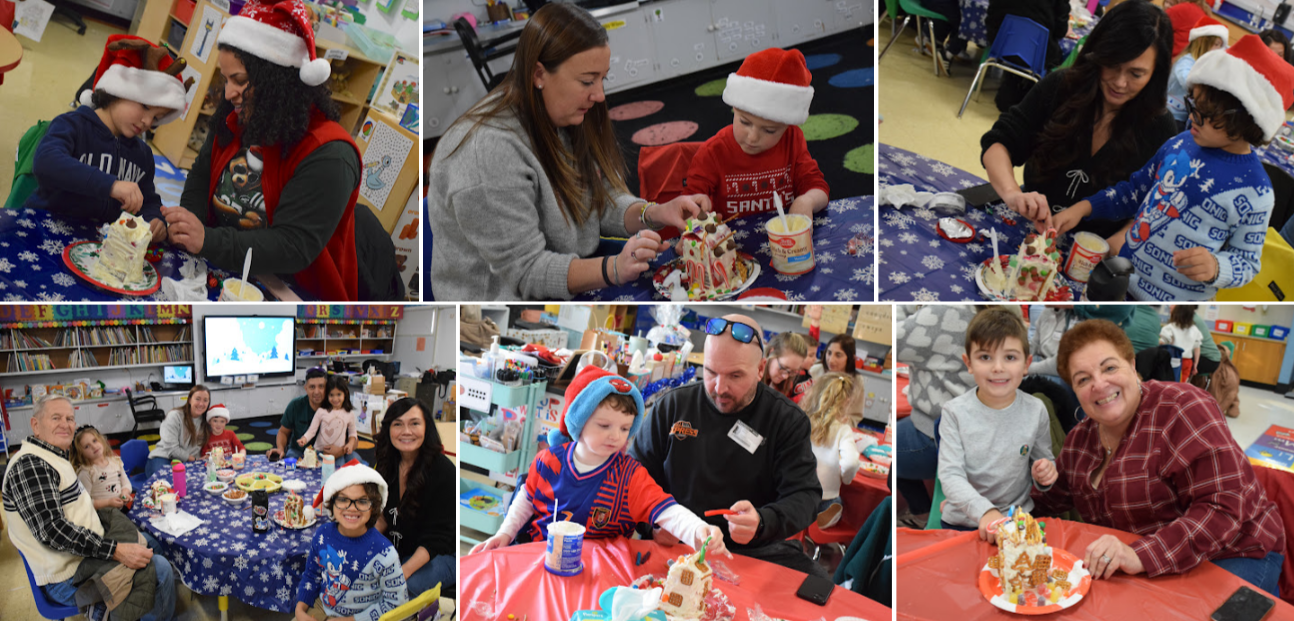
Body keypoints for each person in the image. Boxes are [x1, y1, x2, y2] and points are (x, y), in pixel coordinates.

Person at [426, 3, 709, 300]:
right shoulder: (486, 153)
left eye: (603, 79)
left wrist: (656, 212)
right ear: (539, 74)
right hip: (511, 296)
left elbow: (599, 201)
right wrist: (614, 268)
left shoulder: (562, 113)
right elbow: (528, 272)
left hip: (570, 262)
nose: (599, 95)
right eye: (587, 81)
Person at [167, 0, 401, 301]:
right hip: (222, 263)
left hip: (291, 288)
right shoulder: (238, 115)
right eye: (225, 79)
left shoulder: (329, 153)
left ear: (276, 79)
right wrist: (188, 225)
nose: (227, 93)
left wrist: (207, 240)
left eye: (239, 81)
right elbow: (201, 175)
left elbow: (292, 246)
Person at [1034, 319, 1285, 596]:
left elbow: (1222, 509)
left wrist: (1138, 556)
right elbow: (1051, 498)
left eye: (1109, 367)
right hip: (1148, 564)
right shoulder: (1079, 441)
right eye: (1083, 379)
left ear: (1132, 366)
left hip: (1234, 551)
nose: (1099, 384)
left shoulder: (1184, 408)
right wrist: (1029, 489)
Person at [1054, 35, 1294, 301]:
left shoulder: (1257, 192)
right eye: (1193, 106)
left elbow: (1247, 263)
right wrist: (1083, 207)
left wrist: (1217, 267)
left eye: (1205, 114)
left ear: (1245, 120)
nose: (1192, 118)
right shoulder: (1181, 142)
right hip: (1122, 281)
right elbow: (1135, 191)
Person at [631, 314, 827, 578]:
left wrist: (762, 521)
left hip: (754, 552)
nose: (719, 388)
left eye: (735, 375)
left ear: (761, 370)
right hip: (678, 545)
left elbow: (806, 496)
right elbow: (632, 478)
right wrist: (654, 523)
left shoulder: (787, 420)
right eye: (711, 372)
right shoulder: (672, 407)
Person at [471, 367, 727, 557]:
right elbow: (526, 499)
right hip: (541, 558)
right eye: (604, 425)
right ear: (579, 423)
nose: (616, 436)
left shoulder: (630, 477)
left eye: (626, 428)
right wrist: (504, 533)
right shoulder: (548, 461)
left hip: (602, 572)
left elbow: (667, 512)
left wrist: (699, 530)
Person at [982, 0, 1177, 239]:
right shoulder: (1061, 87)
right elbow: (998, 143)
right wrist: (1013, 194)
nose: (1119, 82)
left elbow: (1154, 203)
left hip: (1095, 252)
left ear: (1155, 73)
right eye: (1112, 66)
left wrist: (1112, 251)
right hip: (1030, 229)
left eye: (1136, 74)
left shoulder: (1159, 127)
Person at [3, 396, 176, 621]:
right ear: (36, 425)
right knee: (160, 568)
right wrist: (116, 550)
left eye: (69, 418)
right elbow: (52, 531)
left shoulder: (53, 457)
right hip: (68, 576)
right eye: (56, 418)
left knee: (151, 540)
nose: (65, 424)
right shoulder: (30, 465)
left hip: (84, 555)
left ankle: (143, 605)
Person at [26, 36, 184, 241]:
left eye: (156, 117)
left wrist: (154, 219)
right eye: (145, 106)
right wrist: (111, 185)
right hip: (43, 232)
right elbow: (46, 162)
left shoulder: (142, 155)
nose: (147, 121)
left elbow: (148, 200)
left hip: (96, 248)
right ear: (117, 90)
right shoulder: (73, 125)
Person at [938, 308, 1056, 538]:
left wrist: (1045, 474)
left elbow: (1044, 460)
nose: (998, 367)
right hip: (964, 521)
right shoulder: (954, 412)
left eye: (1010, 357)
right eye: (985, 357)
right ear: (968, 362)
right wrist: (985, 513)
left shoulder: (1036, 410)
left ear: (1026, 364)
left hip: (1017, 520)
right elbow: (950, 476)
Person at [685, 47, 829, 220]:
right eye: (744, 122)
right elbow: (688, 206)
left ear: (787, 125)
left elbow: (818, 187)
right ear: (734, 108)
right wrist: (694, 221)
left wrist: (807, 201)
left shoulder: (792, 139)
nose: (752, 137)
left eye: (769, 130)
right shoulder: (713, 152)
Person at [893, 305, 977, 527]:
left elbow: (896, 337)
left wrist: (906, 306)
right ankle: (922, 512)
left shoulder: (946, 311)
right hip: (972, 423)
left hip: (939, 429)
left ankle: (921, 515)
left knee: (891, 457)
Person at [295, 464, 407, 621]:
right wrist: (299, 611)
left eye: (362, 501)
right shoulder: (322, 535)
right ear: (331, 503)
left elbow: (397, 603)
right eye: (343, 499)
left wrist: (350, 620)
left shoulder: (385, 553)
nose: (352, 508)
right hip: (323, 607)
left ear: (374, 507)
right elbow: (311, 576)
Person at [373, 398, 456, 597]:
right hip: (403, 547)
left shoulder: (443, 471)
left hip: (441, 553)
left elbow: (437, 539)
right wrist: (362, 545)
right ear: (388, 429)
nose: (406, 431)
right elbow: (384, 516)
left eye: (414, 423)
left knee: (400, 589)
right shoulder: (387, 463)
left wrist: (403, 572)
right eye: (398, 424)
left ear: (426, 427)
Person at [985, 0, 1072, 111]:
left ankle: (1013, 84)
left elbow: (991, 11)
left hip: (1001, 42)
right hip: (1037, 52)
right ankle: (1029, 95)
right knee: (1057, 54)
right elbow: (1060, 31)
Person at [801, 372, 862, 529]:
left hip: (796, 493)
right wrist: (846, 479)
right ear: (846, 402)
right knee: (843, 505)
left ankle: (801, 520)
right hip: (826, 499)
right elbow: (850, 463)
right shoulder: (843, 430)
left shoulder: (801, 421)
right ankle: (818, 519)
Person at [270, 368, 356, 461]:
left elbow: (354, 438)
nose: (316, 392)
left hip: (333, 452)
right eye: (312, 387)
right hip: (299, 451)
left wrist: (341, 451)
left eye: (321, 386)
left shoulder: (338, 407)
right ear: (305, 388)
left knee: (356, 462)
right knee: (291, 462)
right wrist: (280, 448)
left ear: (327, 388)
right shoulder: (296, 405)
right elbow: (283, 432)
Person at [1167, 17, 1228, 130]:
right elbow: (1187, 81)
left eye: (1220, 46)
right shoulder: (1187, 60)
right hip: (1171, 114)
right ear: (1201, 42)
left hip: (1185, 116)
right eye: (1216, 44)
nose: (1218, 49)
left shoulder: (1203, 63)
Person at [145, 384, 210, 477]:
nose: (201, 404)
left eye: (205, 400)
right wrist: (195, 460)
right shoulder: (175, 416)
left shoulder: (206, 421)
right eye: (198, 399)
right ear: (190, 400)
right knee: (164, 484)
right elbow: (172, 449)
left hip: (187, 461)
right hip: (164, 457)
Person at [296, 376, 361, 464]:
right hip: (319, 452)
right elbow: (312, 430)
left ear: (345, 393)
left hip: (337, 454)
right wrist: (304, 439)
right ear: (327, 395)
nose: (335, 399)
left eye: (338, 394)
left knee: (338, 473)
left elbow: (353, 434)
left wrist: (350, 444)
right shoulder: (321, 411)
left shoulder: (349, 414)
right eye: (331, 395)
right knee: (317, 472)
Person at [805, 334, 865, 425]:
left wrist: (841, 422)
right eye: (829, 353)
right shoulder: (815, 371)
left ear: (850, 358)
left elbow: (855, 416)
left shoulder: (856, 380)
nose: (831, 360)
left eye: (838, 355)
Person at [71, 425, 133, 511]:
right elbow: (84, 502)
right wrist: (108, 502)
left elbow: (126, 483)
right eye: (87, 446)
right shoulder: (87, 472)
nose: (93, 446)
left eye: (94, 441)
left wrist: (125, 493)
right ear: (80, 454)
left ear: (101, 440)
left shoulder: (115, 462)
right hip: (103, 514)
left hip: (121, 509)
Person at [1160, 304, 1204, 379]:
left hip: (1173, 360)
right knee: (1182, 385)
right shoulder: (1195, 329)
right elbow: (1197, 347)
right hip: (1187, 362)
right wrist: (1195, 365)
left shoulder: (1170, 327)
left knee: (1170, 382)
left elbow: (1162, 343)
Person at [761, 332, 809, 398]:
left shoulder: (787, 383)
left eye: (793, 371)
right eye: (783, 367)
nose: (785, 376)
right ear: (771, 352)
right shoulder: (751, 377)